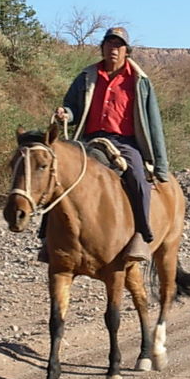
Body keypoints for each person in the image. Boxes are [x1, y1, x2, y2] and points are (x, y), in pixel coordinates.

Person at [44, 26, 169, 263]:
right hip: (89, 140)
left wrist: (161, 165)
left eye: (119, 45)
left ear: (127, 51)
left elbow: (154, 123)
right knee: (57, 173)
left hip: (124, 142)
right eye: (109, 44)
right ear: (102, 48)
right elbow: (72, 107)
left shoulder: (140, 81)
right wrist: (65, 115)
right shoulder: (86, 76)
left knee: (137, 178)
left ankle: (142, 235)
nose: (114, 49)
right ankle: (47, 238)